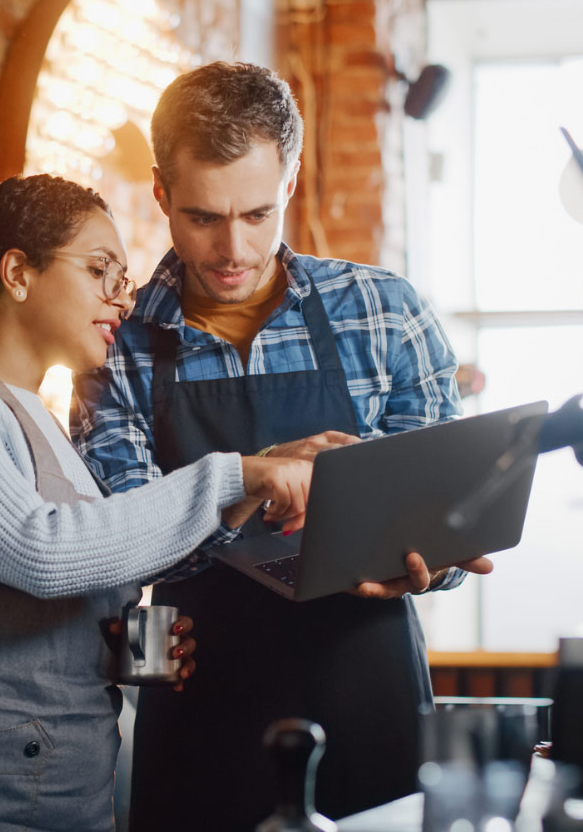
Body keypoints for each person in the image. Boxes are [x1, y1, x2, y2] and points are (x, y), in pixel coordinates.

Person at [73, 62, 496, 827]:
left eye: (257, 214)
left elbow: (442, 523)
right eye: (202, 216)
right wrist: (251, 483)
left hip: (370, 695)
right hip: (204, 710)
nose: (232, 248)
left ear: (291, 182)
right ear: (162, 193)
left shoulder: (385, 312)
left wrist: (431, 564)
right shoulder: (117, 343)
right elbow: (118, 541)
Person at [0, 174, 314, 832]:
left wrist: (123, 648)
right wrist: (235, 477)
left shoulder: (50, 429)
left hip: (69, 787)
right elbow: (42, 550)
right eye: (99, 271)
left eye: (123, 276)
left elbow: (70, 577)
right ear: (18, 273)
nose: (121, 297)